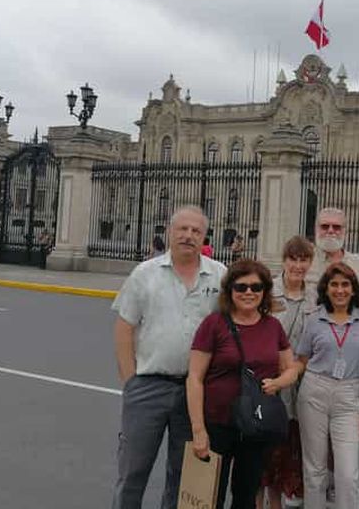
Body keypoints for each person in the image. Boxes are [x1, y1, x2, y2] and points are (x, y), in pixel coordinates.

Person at [111, 206, 226, 509]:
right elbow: (124, 327)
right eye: (182, 229)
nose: (188, 235)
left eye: (196, 231)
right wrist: (131, 381)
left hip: (195, 392)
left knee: (183, 476)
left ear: (204, 236)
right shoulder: (145, 274)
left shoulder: (219, 275)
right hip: (148, 386)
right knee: (133, 471)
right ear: (170, 232)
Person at [188, 259, 300, 509]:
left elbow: (291, 368)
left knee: (246, 495)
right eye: (241, 287)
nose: (249, 292)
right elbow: (194, 377)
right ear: (230, 290)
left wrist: (278, 382)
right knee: (207, 496)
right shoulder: (214, 324)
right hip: (217, 423)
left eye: (256, 287)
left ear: (265, 291)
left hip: (254, 426)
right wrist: (198, 430)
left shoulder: (272, 326)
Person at [296, 262, 359, 509]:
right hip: (315, 390)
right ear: (326, 289)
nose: (340, 290)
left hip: (349, 394)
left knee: (348, 473)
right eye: (334, 285)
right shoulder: (314, 319)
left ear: (353, 289)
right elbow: (302, 359)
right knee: (315, 469)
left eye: (345, 284)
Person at [259, 236, 318, 509]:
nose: (298, 265)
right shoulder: (265, 291)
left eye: (304, 260)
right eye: (293, 259)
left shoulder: (316, 298)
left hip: (300, 387)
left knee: (284, 459)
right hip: (268, 384)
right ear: (283, 261)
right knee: (262, 460)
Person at [306, 207, 359, 307]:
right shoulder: (303, 262)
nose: (330, 231)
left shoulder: (357, 263)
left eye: (336, 227)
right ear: (316, 229)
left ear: (344, 231)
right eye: (325, 226)